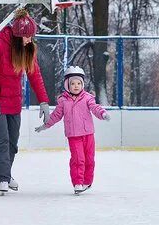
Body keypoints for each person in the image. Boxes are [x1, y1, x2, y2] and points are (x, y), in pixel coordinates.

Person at [0, 8, 51, 193]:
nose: (30, 40)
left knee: (13, 142)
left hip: (14, 102)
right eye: (27, 37)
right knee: (2, 139)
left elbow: (36, 76)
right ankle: (3, 178)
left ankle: (5, 172)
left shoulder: (27, 51)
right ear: (19, 36)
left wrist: (43, 101)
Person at [34, 66, 110, 194]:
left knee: (89, 159)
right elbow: (56, 116)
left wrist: (102, 114)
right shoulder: (63, 101)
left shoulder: (87, 98)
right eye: (73, 83)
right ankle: (78, 183)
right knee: (78, 159)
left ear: (83, 84)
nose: (76, 86)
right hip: (74, 135)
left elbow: (95, 108)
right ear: (67, 85)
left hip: (88, 134)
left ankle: (87, 181)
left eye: (79, 83)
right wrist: (45, 126)